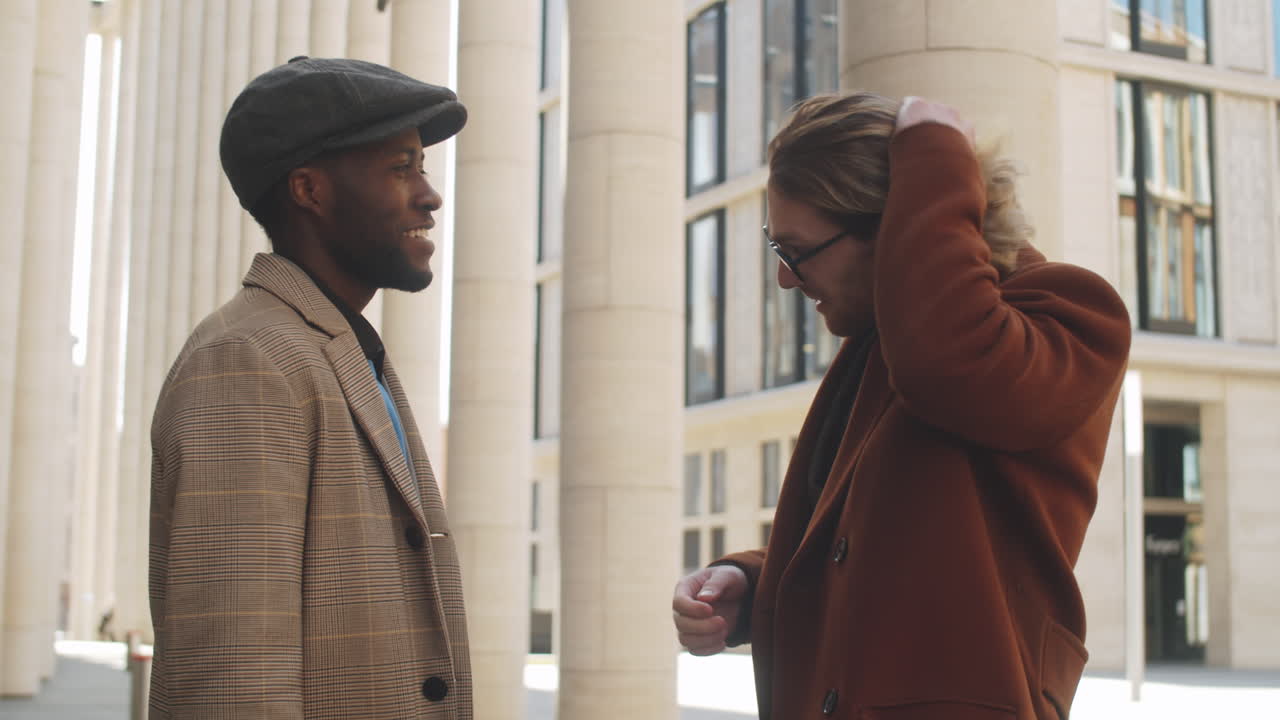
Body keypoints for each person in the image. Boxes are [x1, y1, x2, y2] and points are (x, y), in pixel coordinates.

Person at [672, 92, 1132, 720]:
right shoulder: (877, 352)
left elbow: (949, 366)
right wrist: (753, 586)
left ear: (894, 226)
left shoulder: (1067, 312)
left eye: (796, 252)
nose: (785, 278)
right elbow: (875, 545)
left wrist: (934, 145)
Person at [149, 57, 472, 718]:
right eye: (400, 166)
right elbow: (231, 681)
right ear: (309, 190)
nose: (430, 195)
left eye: (423, 168)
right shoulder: (246, 361)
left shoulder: (338, 346)